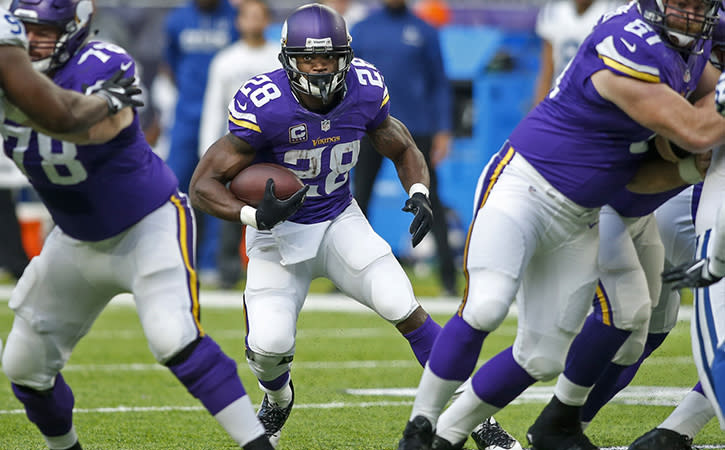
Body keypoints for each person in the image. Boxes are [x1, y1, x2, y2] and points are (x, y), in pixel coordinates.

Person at [395, 0, 725, 447]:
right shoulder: (628, 44)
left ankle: (450, 435)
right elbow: (697, 129)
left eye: (699, 5)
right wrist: (698, 141)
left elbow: (680, 138)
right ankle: (420, 426)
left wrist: (691, 166)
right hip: (526, 186)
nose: (691, 14)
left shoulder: (692, 45)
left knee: (543, 355)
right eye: (681, 3)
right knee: (486, 306)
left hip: (584, 213)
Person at [0, 1, 273, 449]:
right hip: (75, 238)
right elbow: (59, 114)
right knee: (23, 368)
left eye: (45, 31)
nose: (32, 42)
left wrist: (86, 103)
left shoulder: (102, 61)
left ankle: (258, 444)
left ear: (74, 29)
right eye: (25, 31)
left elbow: (89, 130)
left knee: (174, 337)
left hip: (145, 224)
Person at [189, 4, 444, 447]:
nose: (320, 65)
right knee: (268, 348)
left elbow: (402, 146)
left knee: (403, 304)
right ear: (289, 58)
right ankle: (279, 397)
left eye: (328, 56)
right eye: (309, 57)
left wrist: (418, 192)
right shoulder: (265, 106)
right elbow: (202, 184)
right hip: (277, 235)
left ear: (346, 55)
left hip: (338, 220)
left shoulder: (364, 89)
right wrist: (251, 215)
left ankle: (473, 413)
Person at [350, 0, 457, 296]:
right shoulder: (362, 29)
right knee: (358, 200)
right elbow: (345, 82)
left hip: (415, 129)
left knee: (428, 197)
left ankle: (449, 277)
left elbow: (439, 82)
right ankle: (347, 275)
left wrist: (444, 130)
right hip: (367, 127)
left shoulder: (424, 29)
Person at [198, 0, 278, 290]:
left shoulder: (278, 58)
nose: (253, 22)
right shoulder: (225, 60)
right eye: (248, 16)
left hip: (272, 146)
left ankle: (277, 268)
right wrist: (207, 149)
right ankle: (227, 271)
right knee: (231, 208)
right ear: (238, 21)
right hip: (238, 146)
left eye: (259, 16)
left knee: (276, 203)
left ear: (268, 20)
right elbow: (213, 107)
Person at [161, 0, 239, 284]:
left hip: (225, 117)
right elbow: (170, 62)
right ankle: (175, 259)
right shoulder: (177, 18)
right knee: (175, 189)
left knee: (221, 189)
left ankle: (211, 263)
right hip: (186, 117)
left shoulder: (234, 16)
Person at [533, 0, 621, 105]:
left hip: (596, 102)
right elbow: (547, 69)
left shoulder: (614, 11)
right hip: (560, 99)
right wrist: (539, 104)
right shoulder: (554, 12)